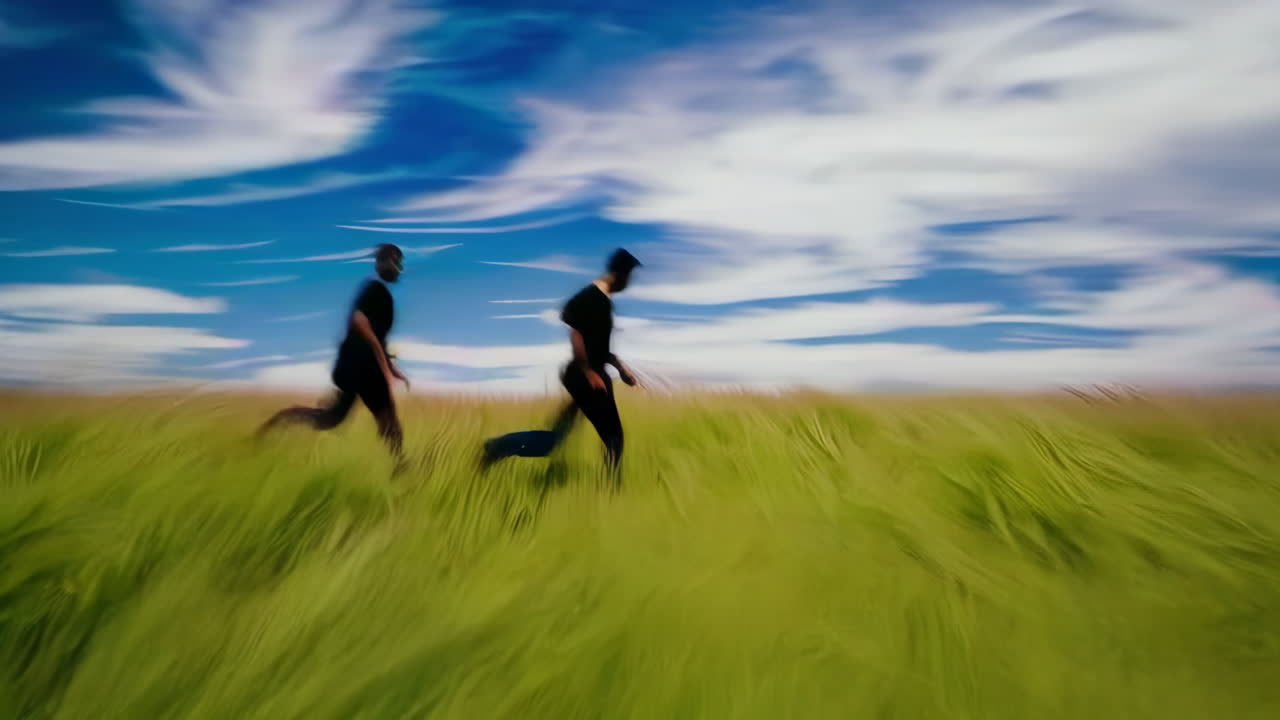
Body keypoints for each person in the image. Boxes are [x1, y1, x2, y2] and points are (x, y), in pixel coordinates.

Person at [480, 248, 643, 486]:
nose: (628, 284)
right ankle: (612, 492)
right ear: (621, 273)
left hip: (587, 376)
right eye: (629, 277)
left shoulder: (602, 301)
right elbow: (576, 332)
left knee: (556, 439)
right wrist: (588, 371)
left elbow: (598, 346)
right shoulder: (592, 296)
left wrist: (620, 368)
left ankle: (498, 447)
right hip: (585, 377)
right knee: (614, 438)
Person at [258, 243, 411, 464]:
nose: (398, 267)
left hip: (354, 368)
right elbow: (360, 323)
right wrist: (384, 366)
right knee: (389, 423)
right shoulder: (375, 290)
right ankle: (400, 468)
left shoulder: (379, 293)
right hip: (363, 369)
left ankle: (275, 426)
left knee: (331, 419)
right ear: (385, 262)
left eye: (398, 263)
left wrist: (391, 367)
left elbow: (376, 335)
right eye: (396, 262)